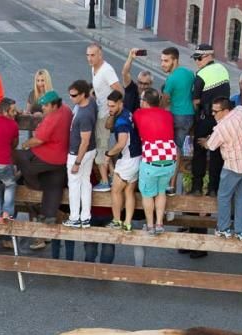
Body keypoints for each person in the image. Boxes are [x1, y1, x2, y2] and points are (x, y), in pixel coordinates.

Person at [14, 90, 71, 249]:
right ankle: (49, 215)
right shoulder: (66, 109)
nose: (43, 108)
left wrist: (25, 145)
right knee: (54, 186)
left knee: (21, 158)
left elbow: (38, 140)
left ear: (54, 105)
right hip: (61, 159)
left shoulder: (52, 118)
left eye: (46, 105)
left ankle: (32, 185)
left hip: (46, 157)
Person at [204, 98, 242, 240]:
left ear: (226, 111)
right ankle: (241, 231)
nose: (213, 114)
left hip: (233, 166)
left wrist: (205, 141)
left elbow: (210, 145)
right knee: (241, 197)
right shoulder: (241, 111)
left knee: (224, 196)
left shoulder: (221, 128)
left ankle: (224, 228)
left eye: (216, 111)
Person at [133, 88, 177, 234]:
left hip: (151, 160)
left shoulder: (138, 114)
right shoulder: (168, 115)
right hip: (170, 159)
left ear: (145, 102)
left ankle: (150, 225)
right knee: (161, 192)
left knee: (147, 194)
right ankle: (159, 224)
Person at [191, 44, 230, 197]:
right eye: (195, 58)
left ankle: (197, 187)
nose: (197, 62)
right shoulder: (224, 70)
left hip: (206, 118)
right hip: (222, 119)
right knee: (217, 154)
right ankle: (213, 188)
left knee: (199, 152)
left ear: (208, 56)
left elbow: (195, 101)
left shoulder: (201, 74)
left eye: (199, 58)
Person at [87, 43, 124, 192]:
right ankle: (110, 176)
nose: (89, 58)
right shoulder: (94, 68)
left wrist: (113, 111)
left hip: (104, 116)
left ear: (100, 55)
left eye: (93, 55)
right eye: (88, 55)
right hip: (99, 112)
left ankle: (104, 182)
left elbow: (119, 91)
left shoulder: (107, 70)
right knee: (102, 146)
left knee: (101, 147)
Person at [160, 46, 195, 195]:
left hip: (176, 116)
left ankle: (168, 183)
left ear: (175, 60)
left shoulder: (171, 79)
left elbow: (165, 99)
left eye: (166, 61)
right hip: (189, 116)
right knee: (178, 149)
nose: (163, 64)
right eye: (162, 60)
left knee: (169, 149)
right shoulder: (189, 73)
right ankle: (173, 185)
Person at [64, 79, 97, 232]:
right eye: (70, 95)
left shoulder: (84, 115)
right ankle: (85, 217)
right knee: (85, 183)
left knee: (74, 185)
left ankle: (74, 217)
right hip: (90, 152)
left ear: (83, 94)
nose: (72, 98)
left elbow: (85, 141)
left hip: (79, 153)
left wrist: (77, 162)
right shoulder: (90, 102)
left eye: (74, 95)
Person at [104, 90, 139, 231]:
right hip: (137, 157)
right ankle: (128, 223)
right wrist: (112, 113)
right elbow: (107, 125)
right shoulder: (126, 113)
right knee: (129, 191)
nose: (110, 109)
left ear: (120, 103)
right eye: (108, 106)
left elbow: (121, 144)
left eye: (112, 106)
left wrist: (108, 154)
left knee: (115, 191)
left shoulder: (122, 122)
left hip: (128, 159)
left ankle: (117, 221)